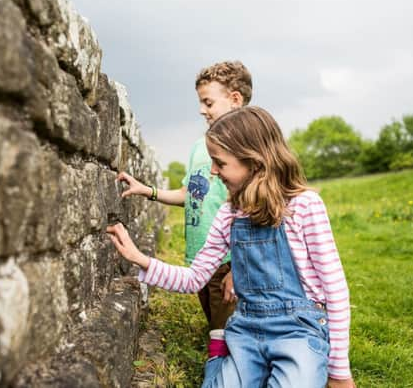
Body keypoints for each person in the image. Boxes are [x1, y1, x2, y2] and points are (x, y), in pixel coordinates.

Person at [107, 107, 355, 388]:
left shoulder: (304, 206)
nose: (213, 171)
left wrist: (339, 371)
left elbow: (335, 289)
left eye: (220, 163)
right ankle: (219, 356)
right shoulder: (228, 215)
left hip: (298, 331)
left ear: (254, 161)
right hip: (246, 329)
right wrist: (140, 259)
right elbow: (194, 279)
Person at [116, 62, 253, 346]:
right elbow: (189, 194)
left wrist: (240, 269)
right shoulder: (198, 147)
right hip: (202, 259)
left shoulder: (246, 148)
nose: (202, 109)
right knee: (215, 323)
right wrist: (149, 191)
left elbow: (256, 212)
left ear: (235, 99)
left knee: (228, 333)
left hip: (230, 260)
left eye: (208, 102)